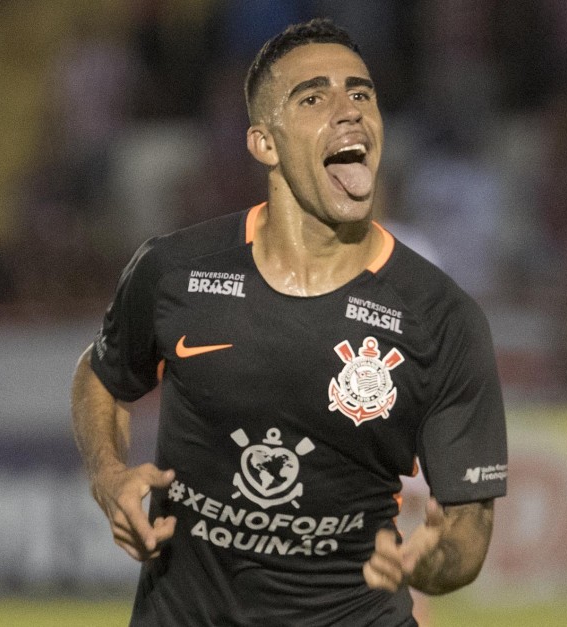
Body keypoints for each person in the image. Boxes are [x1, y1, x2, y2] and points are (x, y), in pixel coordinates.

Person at [71, 18, 508, 626]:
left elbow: (468, 526)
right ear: (264, 143)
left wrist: (432, 562)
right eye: (314, 97)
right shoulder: (174, 271)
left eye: (362, 94)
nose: (349, 110)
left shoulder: (443, 317)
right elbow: (101, 376)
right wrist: (108, 473)